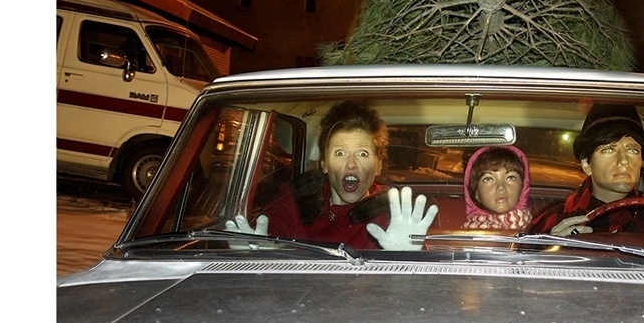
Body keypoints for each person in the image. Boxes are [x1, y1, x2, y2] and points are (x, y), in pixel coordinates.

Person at [226, 101, 437, 250]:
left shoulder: (395, 213)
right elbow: (267, 239)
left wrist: (404, 260)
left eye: (363, 153)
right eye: (340, 153)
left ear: (378, 165)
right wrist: (257, 253)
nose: (352, 163)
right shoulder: (297, 201)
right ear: (324, 164)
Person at [529, 103, 644, 237]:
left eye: (633, 150)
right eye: (608, 149)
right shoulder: (554, 219)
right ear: (586, 164)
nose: (624, 160)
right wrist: (549, 247)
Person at [461, 146, 533, 230]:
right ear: (476, 193)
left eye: (510, 178)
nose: (501, 187)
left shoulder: (540, 231)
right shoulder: (466, 237)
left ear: (523, 187)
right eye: (488, 179)